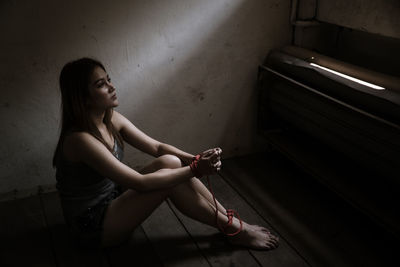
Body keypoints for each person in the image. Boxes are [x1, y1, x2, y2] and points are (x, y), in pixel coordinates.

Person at [52, 57, 279, 250]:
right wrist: (194, 170)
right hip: (91, 227)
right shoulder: (80, 139)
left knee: (170, 161)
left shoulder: (110, 119)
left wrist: (193, 159)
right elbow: (140, 183)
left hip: (114, 201)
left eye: (109, 79)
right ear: (81, 97)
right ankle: (233, 229)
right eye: (101, 84)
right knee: (169, 180)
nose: (112, 86)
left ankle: (231, 222)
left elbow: (158, 148)